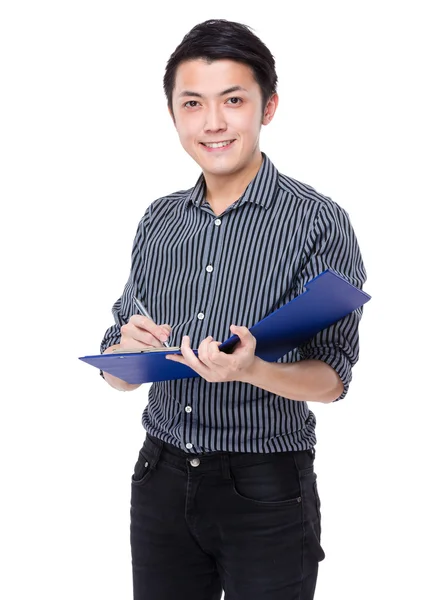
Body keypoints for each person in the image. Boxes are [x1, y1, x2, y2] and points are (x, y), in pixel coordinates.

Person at [100, 18, 367, 600]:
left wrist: (253, 370)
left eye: (234, 100)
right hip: (159, 479)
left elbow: (333, 380)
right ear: (173, 113)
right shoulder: (160, 220)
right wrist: (123, 354)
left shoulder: (318, 222)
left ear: (267, 107)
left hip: (266, 489)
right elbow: (119, 372)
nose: (213, 122)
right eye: (192, 103)